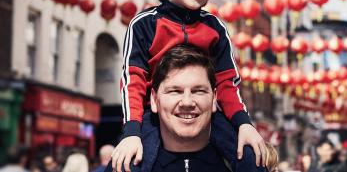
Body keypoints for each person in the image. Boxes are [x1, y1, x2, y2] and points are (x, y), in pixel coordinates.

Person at [113, 0, 264, 172]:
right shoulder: (144, 24)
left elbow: (227, 82)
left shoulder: (215, 27)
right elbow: (132, 81)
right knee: (134, 162)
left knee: (249, 156)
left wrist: (244, 123)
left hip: (207, 112)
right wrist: (131, 131)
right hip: (151, 114)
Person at [106, 44, 267, 172]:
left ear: (214, 99)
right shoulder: (124, 166)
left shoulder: (247, 163)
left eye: (198, 91)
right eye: (175, 91)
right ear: (154, 100)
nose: (187, 102)